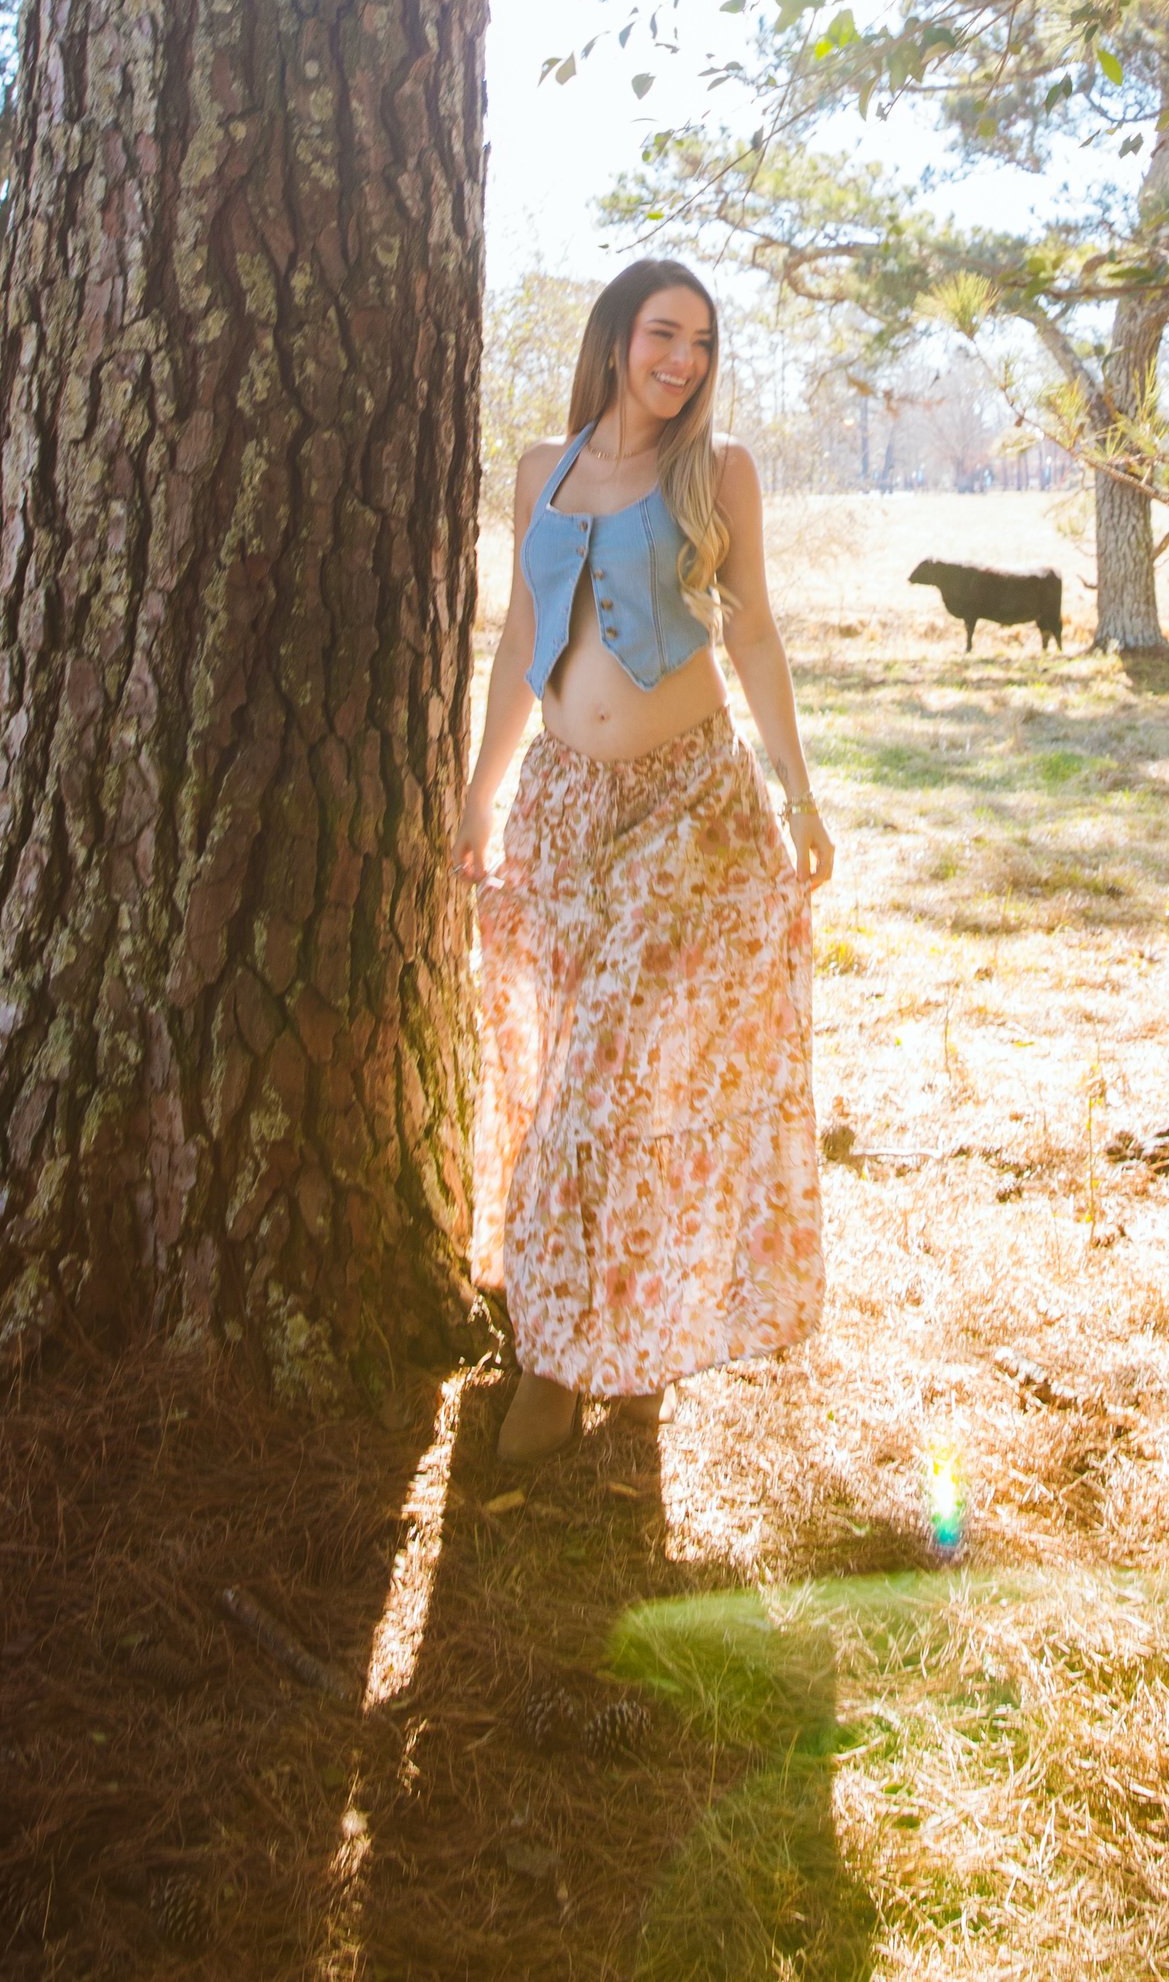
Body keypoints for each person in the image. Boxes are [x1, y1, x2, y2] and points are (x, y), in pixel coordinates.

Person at [459, 258, 833, 1468]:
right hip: (563, 814)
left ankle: (559, 1367)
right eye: (664, 335)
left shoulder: (715, 474)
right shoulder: (542, 473)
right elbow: (525, 631)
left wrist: (798, 787)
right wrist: (481, 791)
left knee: (612, 1083)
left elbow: (755, 631)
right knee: (565, 1072)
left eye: (703, 345)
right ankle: (598, 1326)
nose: (683, 362)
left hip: (690, 812)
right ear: (617, 336)